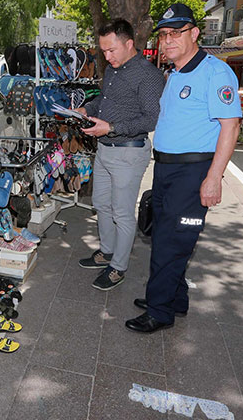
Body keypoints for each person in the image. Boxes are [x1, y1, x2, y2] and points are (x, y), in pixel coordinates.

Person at [126, 3, 242, 333]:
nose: (168, 40)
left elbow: (230, 127)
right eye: (164, 35)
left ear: (194, 33)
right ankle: (174, 298)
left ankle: (159, 310)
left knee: (172, 241)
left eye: (176, 33)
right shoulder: (176, 73)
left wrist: (213, 178)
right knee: (162, 233)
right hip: (167, 171)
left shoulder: (215, 73)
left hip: (192, 173)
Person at [75, 19, 164, 291]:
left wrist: (111, 127)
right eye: (103, 51)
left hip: (128, 152)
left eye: (111, 50)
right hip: (105, 149)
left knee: (122, 213)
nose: (107, 56)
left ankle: (118, 268)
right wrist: (87, 109)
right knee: (101, 204)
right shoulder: (113, 70)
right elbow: (104, 101)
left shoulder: (148, 75)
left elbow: (152, 119)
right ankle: (107, 252)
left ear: (129, 44)